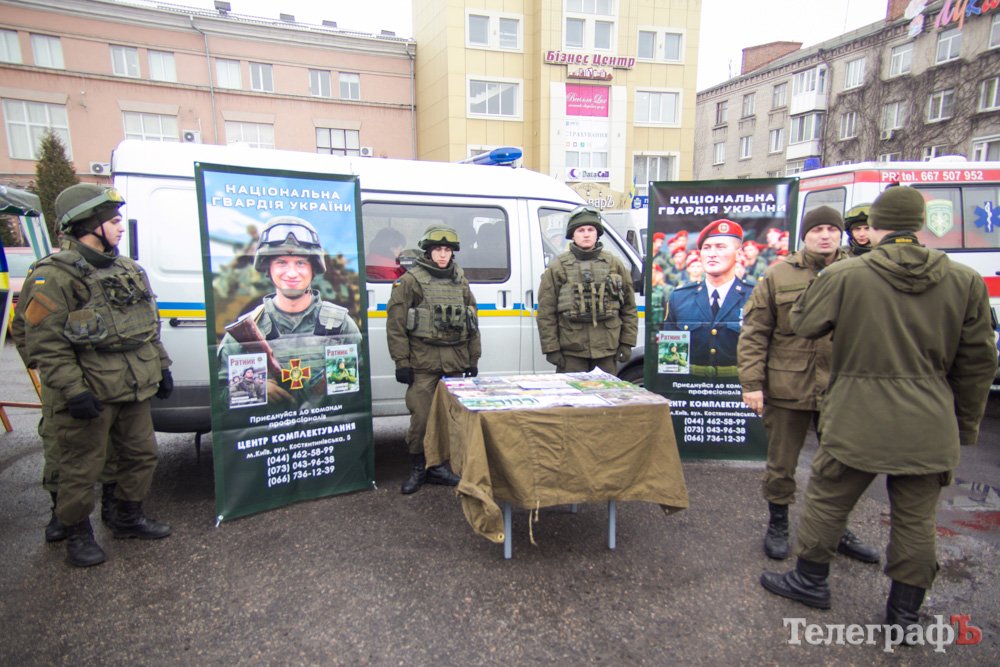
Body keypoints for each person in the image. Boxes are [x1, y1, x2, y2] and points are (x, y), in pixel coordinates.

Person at [760, 188, 997, 635]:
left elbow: (804, 323)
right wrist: (963, 426)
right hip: (930, 420)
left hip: (856, 415)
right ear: (921, 224)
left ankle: (810, 581)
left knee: (829, 499)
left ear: (876, 225)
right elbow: (979, 364)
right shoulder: (965, 280)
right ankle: (904, 616)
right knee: (916, 520)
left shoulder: (846, 274)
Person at [18, 184, 174, 567]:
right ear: (89, 224)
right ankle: (77, 533)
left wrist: (162, 366)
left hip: (133, 385)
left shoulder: (129, 270)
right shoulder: (53, 277)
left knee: (141, 455)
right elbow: (45, 344)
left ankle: (126, 517)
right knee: (80, 467)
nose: (121, 227)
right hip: (90, 388)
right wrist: (73, 391)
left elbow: (148, 326)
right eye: (114, 220)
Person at [737, 206, 879, 564]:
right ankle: (778, 524)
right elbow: (755, 332)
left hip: (842, 387)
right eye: (817, 230)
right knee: (781, 464)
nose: (825, 235)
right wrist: (752, 383)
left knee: (842, 466)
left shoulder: (860, 272)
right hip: (788, 385)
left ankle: (836, 530)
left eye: (832, 229)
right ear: (805, 235)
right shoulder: (778, 274)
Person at [11, 247, 120, 542]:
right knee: (60, 446)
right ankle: (60, 513)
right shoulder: (52, 273)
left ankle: (111, 507)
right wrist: (46, 368)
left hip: (103, 375)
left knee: (109, 444)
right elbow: (25, 327)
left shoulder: (111, 269)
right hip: (62, 377)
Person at [217, 216, 363, 408]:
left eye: (301, 263)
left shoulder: (340, 324)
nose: (292, 273)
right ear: (268, 268)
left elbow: (359, 393)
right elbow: (220, 397)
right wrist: (255, 390)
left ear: (313, 269)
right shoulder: (246, 330)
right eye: (281, 262)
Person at [387, 224, 480, 494]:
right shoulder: (410, 281)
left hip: (454, 361)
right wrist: (402, 362)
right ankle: (419, 468)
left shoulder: (460, 281)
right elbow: (396, 326)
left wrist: (473, 359)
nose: (442, 254)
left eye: (447, 249)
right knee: (422, 418)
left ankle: (439, 467)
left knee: (451, 418)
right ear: (428, 252)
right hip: (423, 363)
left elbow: (472, 322)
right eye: (437, 249)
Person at [536, 205, 638, 373]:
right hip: (572, 352)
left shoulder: (614, 264)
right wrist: (551, 348)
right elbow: (546, 312)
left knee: (606, 389)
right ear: (572, 235)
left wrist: (627, 343)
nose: (586, 234)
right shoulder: (558, 267)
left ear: (597, 233)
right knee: (571, 391)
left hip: (607, 351)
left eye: (591, 229)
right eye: (581, 230)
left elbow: (629, 308)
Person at [661, 219, 752, 379]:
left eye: (720, 247)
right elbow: (671, 361)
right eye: (706, 248)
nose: (712, 254)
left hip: (739, 388)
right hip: (690, 387)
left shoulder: (755, 296)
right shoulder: (680, 298)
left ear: (738, 254)